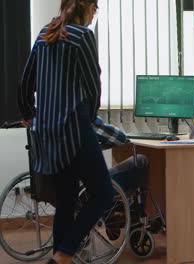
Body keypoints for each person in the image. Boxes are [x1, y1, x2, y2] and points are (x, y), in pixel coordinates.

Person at [17, 1, 111, 264]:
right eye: (95, 9)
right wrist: (89, 120)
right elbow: (93, 88)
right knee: (104, 193)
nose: (94, 15)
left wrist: (28, 113)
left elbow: (26, 81)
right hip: (75, 126)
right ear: (86, 8)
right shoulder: (83, 36)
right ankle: (63, 252)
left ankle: (60, 259)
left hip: (48, 131)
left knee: (66, 200)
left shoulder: (44, 34)